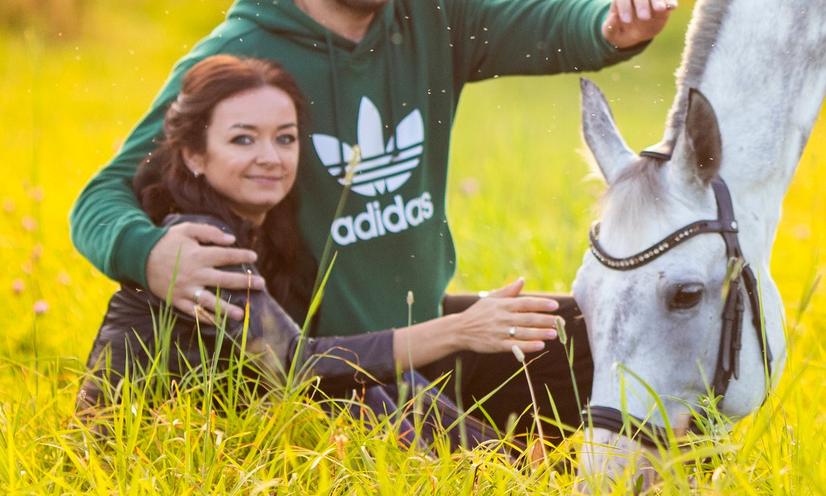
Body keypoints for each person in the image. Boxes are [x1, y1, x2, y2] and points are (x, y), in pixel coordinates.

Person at [68, 0, 677, 444]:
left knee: (592, 331)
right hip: (327, 365)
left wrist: (611, 24)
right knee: (499, 475)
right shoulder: (239, 61)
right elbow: (103, 195)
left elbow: (537, 23)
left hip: (420, 331)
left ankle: (675, 482)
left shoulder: (432, 14)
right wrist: (147, 253)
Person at [80, 54, 562, 448]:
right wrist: (461, 329)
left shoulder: (266, 230)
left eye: (285, 138)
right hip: (137, 452)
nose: (271, 157)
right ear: (194, 155)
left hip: (211, 436)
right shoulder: (200, 239)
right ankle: (522, 481)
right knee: (367, 399)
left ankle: (524, 474)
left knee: (391, 391)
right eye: (243, 139)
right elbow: (296, 366)